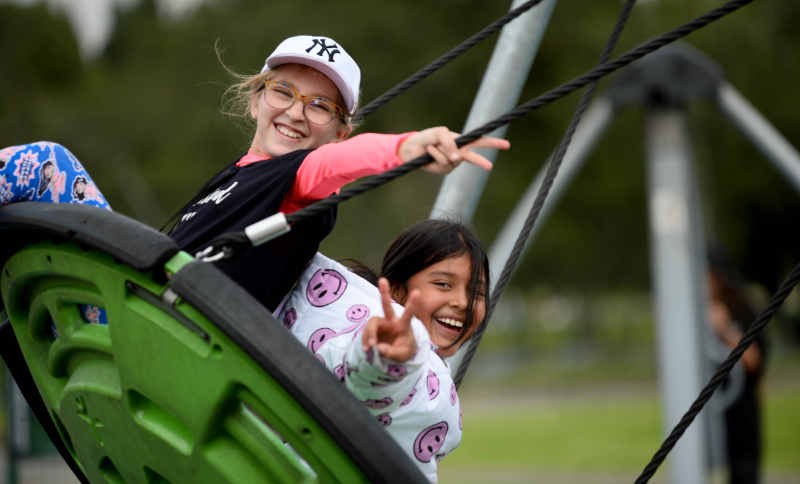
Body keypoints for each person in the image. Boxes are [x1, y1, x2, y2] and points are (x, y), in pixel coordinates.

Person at [0, 35, 508, 312]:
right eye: (283, 92)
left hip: (144, 325)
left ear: (337, 131)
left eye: (320, 105)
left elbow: (340, 165)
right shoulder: (237, 177)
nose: (295, 112)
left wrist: (407, 145)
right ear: (256, 100)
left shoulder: (299, 180)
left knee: (48, 166)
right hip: (134, 310)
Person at [276, 219, 489, 482]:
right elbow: (363, 378)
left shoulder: (421, 360)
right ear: (398, 291)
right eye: (444, 284)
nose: (462, 302)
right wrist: (385, 358)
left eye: (477, 292)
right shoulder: (382, 347)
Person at [708, 250, 767, 484]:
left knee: (743, 474)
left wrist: (726, 330)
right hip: (707, 412)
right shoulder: (689, 313)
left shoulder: (743, 311)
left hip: (740, 411)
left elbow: (754, 361)